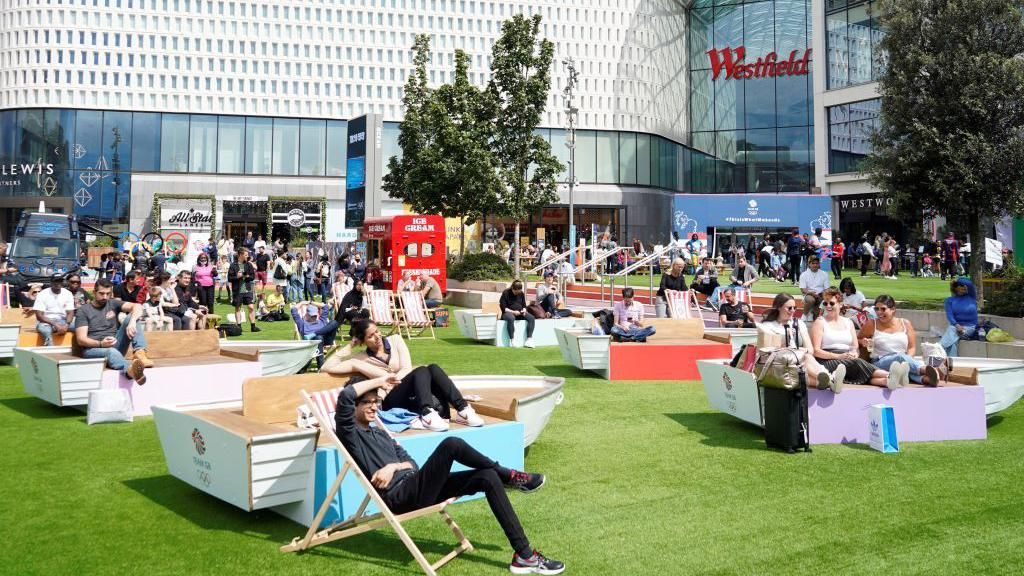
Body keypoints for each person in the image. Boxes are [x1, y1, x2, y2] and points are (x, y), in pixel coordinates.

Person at [333, 373, 564, 576]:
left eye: (376, 401)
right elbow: (344, 397)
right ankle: (510, 475)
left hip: (416, 485)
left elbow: (412, 463)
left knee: (486, 477)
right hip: (401, 496)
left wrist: (393, 466)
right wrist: (381, 381)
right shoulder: (350, 434)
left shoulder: (381, 433)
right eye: (366, 402)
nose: (374, 407)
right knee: (451, 444)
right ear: (353, 407)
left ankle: (524, 555)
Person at [328, 319, 485, 430]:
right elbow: (327, 368)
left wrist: (391, 378)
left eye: (377, 331)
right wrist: (348, 347)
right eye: (371, 336)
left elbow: (407, 368)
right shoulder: (360, 358)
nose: (377, 337)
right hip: (389, 398)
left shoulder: (396, 340)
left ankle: (463, 409)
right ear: (362, 341)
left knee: (432, 368)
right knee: (422, 370)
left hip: (409, 390)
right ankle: (427, 413)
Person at [811, 288, 900, 389]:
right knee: (858, 363)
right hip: (827, 360)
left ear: (840, 304)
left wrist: (854, 354)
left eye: (831, 303)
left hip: (848, 358)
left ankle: (887, 381)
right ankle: (890, 375)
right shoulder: (820, 322)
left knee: (857, 367)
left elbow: (855, 347)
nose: (828, 306)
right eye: (825, 303)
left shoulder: (848, 322)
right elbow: (816, 351)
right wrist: (838, 356)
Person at [759, 293, 843, 393]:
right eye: (789, 308)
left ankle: (827, 380)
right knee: (802, 362)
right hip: (779, 365)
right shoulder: (768, 326)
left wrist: (798, 351)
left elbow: (810, 350)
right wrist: (790, 348)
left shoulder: (798, 323)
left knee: (806, 357)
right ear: (778, 307)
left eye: (795, 308)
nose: (793, 311)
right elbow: (766, 352)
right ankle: (831, 379)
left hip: (798, 364)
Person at [74, 278, 151, 385]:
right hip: (93, 349)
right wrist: (101, 343)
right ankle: (130, 371)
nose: (105, 297)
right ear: (94, 292)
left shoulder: (113, 303)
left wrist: (132, 321)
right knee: (111, 352)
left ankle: (140, 353)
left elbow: (137, 306)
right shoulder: (83, 311)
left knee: (132, 317)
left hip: (114, 344)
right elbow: (81, 340)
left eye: (108, 294)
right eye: (101, 293)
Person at [858, 294, 939, 386]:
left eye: (883, 309)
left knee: (901, 364)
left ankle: (926, 379)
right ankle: (924, 370)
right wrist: (863, 341)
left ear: (893, 309)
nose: (879, 312)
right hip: (880, 362)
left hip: (903, 359)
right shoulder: (871, 324)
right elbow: (857, 340)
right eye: (876, 309)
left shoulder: (905, 323)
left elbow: (911, 348)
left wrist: (907, 361)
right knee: (899, 358)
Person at [291, 301, 340, 369]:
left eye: (315, 315)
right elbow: (293, 310)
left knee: (334, 322)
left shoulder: (322, 320)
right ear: (307, 314)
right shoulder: (302, 324)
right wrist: (302, 303)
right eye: (312, 316)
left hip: (326, 339)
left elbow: (325, 307)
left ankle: (314, 334)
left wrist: (312, 302)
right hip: (312, 343)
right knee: (318, 338)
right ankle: (321, 366)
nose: (314, 317)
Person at [33, 274, 75, 346]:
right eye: (56, 281)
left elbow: (70, 312)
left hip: (63, 321)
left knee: (81, 326)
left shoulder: (68, 293)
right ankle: (50, 349)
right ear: (51, 282)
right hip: (46, 322)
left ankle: (81, 349)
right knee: (46, 330)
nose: (58, 283)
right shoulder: (42, 294)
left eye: (60, 281)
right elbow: (39, 316)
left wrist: (66, 325)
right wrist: (55, 324)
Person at [941, 278, 978, 357]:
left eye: (964, 286)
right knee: (952, 342)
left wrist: (958, 280)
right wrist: (957, 325)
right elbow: (950, 315)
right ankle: (953, 362)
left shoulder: (971, 296)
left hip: (970, 328)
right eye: (961, 286)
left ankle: (939, 347)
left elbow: (969, 283)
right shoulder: (949, 300)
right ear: (955, 288)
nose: (964, 287)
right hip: (956, 328)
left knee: (951, 331)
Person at [229, 248, 260, 332]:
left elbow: (252, 276)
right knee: (238, 308)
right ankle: (239, 326)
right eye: (246, 255)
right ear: (240, 255)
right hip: (237, 290)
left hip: (247, 289)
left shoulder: (249, 265)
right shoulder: (233, 265)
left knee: (251, 307)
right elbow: (230, 278)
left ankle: (253, 326)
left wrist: (247, 277)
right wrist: (237, 276)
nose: (247, 256)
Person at [499, 280, 535, 348]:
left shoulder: (521, 293)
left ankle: (529, 339)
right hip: (508, 313)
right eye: (515, 292)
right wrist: (513, 312)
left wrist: (524, 310)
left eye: (518, 292)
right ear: (512, 288)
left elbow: (524, 305)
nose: (517, 293)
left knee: (531, 318)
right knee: (511, 318)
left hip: (519, 313)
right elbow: (504, 308)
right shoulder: (506, 293)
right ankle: (512, 339)